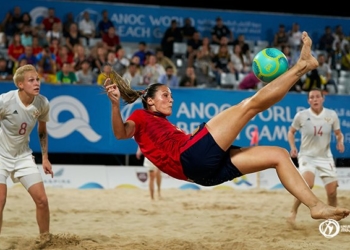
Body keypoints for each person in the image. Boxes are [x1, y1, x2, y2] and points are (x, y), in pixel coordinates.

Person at [104, 32, 350, 222]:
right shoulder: (140, 115)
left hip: (202, 174)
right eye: (165, 95)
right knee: (248, 106)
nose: (171, 99)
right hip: (191, 158)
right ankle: (302, 66)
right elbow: (120, 133)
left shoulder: (164, 125)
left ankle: (316, 207)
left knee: (279, 155)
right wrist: (115, 105)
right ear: (149, 101)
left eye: (170, 95)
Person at [0, 64, 54, 236]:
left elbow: (43, 130)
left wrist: (45, 158)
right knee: (0, 201)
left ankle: (45, 240)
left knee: (42, 200)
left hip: (23, 155)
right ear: (20, 85)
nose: (37, 83)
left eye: (37, 79)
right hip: (1, 155)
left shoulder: (42, 103)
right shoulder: (5, 101)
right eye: (31, 80)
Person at [286, 87, 345, 226]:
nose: (315, 99)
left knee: (332, 192)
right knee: (307, 184)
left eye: (317, 96)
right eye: (311, 97)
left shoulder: (331, 115)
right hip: (307, 156)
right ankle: (293, 211)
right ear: (308, 100)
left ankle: (332, 216)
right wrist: (293, 147)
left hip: (325, 157)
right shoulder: (301, 115)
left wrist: (340, 141)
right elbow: (291, 132)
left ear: (323, 98)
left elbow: (338, 133)